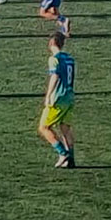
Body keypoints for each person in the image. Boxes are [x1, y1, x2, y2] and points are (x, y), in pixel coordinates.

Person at [38, 32, 76, 169]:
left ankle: (62, 153)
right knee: (65, 128)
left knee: (43, 127)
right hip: (70, 97)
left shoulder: (55, 59)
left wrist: (48, 95)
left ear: (52, 43)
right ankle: (71, 158)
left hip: (58, 98)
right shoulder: (69, 59)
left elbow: (55, 76)